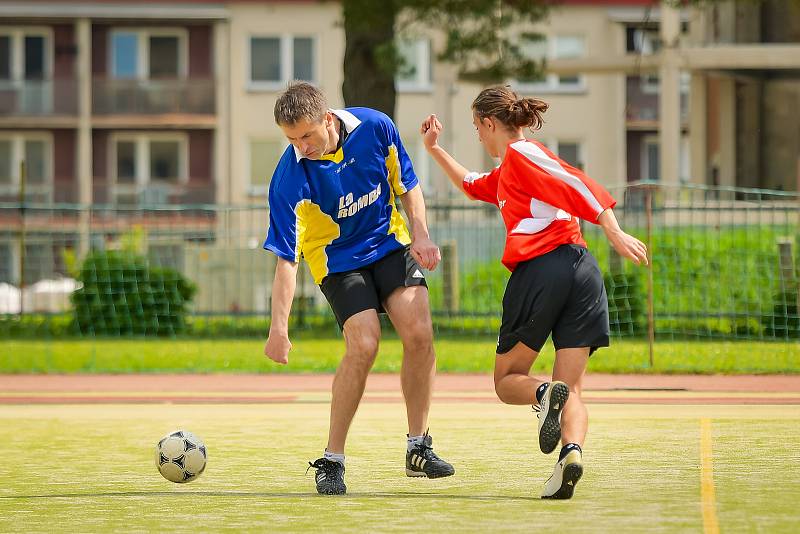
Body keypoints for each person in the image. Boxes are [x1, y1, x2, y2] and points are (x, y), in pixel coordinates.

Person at [420, 85, 648, 500]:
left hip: (544, 270)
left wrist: (613, 230)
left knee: (507, 381)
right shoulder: (511, 171)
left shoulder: (524, 155)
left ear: (491, 124)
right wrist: (433, 149)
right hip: (582, 273)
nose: (477, 135)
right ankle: (570, 456)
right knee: (573, 389)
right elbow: (472, 185)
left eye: (476, 127)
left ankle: (543, 395)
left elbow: (577, 182)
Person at [263, 82, 454, 495]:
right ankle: (332, 460)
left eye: (307, 136)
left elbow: (407, 185)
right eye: (291, 139)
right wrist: (279, 328)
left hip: (388, 243)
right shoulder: (289, 177)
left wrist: (421, 235)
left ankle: (418, 447)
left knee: (419, 333)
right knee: (364, 344)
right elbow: (285, 258)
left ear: (327, 119)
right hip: (336, 259)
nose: (301, 147)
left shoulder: (375, 126)